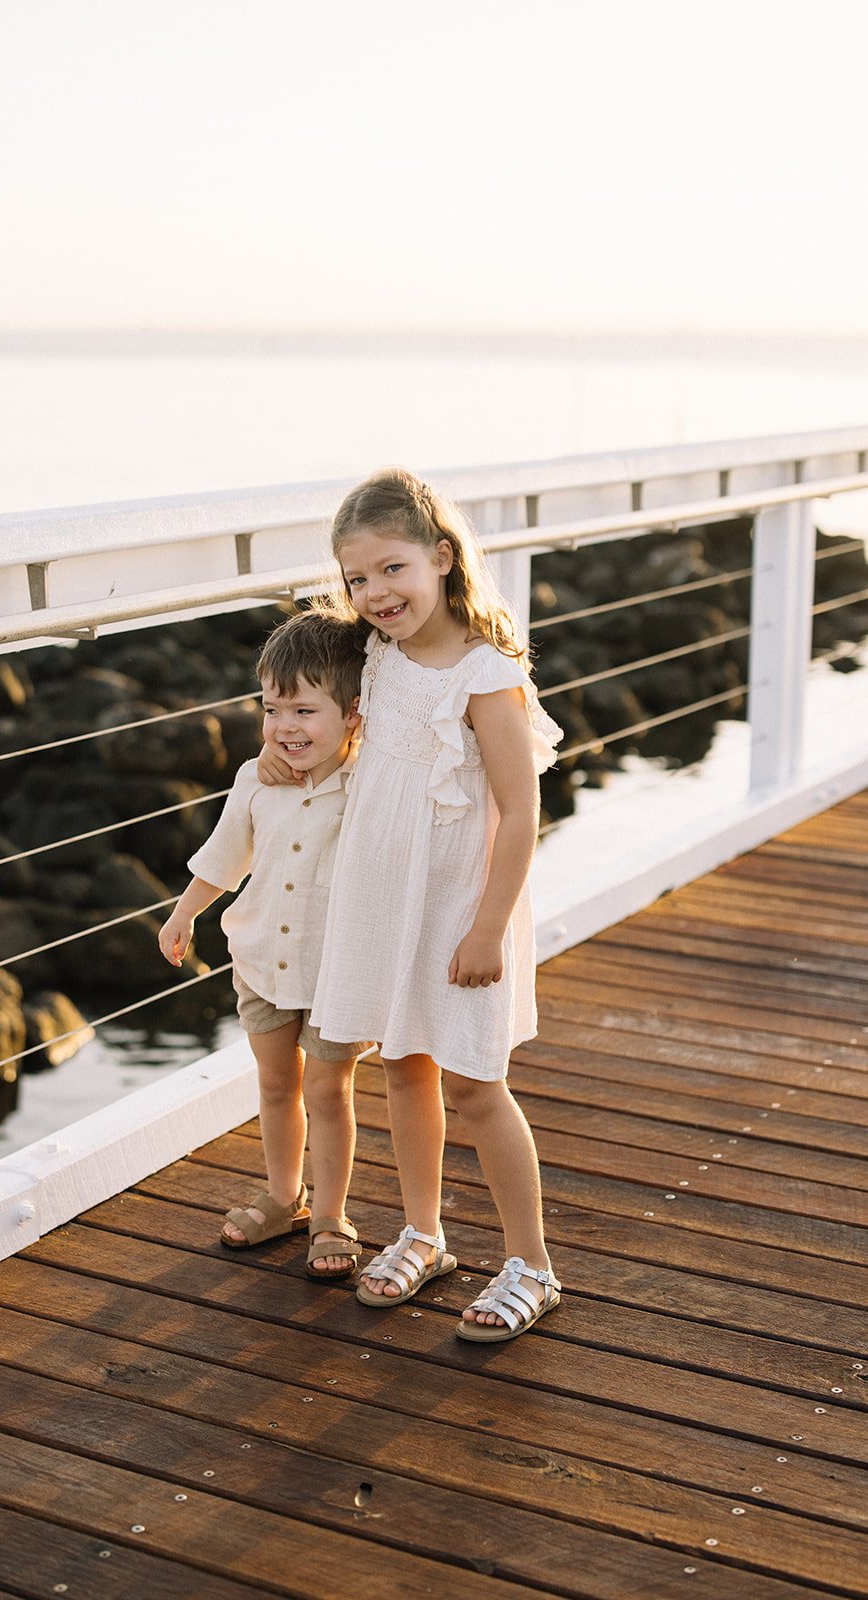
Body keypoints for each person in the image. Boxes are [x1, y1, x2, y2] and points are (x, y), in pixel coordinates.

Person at [260, 468, 563, 1341]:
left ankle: (530, 1263)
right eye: (358, 580)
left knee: (473, 1081)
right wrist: (283, 756)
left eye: (392, 570)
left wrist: (488, 927)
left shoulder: (484, 671)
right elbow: (309, 714)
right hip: (380, 901)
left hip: (458, 908)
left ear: (440, 556)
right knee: (401, 1065)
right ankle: (424, 1231)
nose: (376, 593)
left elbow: (518, 809)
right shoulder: (377, 655)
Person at [158, 607, 371, 1279]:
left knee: (330, 1091)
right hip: (259, 962)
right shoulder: (256, 778)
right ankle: (285, 1196)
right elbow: (225, 856)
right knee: (277, 1084)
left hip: (337, 972)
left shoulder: (366, 784)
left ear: (353, 716)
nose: (284, 727)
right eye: (271, 710)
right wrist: (183, 913)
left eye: (304, 712)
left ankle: (332, 1212)